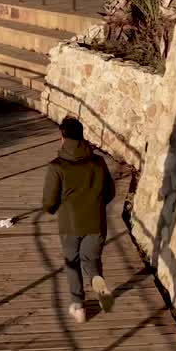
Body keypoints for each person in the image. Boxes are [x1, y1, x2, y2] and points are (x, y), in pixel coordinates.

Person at [43, 116, 115, 324]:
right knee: (91, 261)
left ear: (62, 137)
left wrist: (53, 208)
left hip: (70, 224)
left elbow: (49, 202)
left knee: (72, 263)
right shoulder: (98, 162)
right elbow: (109, 192)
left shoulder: (57, 166)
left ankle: (79, 307)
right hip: (95, 222)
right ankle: (102, 293)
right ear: (82, 136)